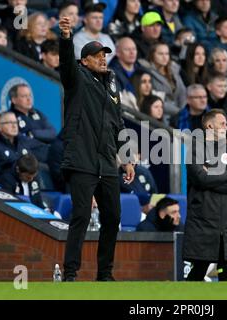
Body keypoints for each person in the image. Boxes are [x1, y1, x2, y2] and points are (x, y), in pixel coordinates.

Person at [58, 16, 135, 282]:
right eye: (97, 55)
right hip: (82, 160)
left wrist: (126, 158)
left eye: (104, 55)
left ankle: (104, 273)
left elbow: (119, 122)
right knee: (80, 216)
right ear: (84, 61)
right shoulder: (76, 78)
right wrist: (66, 38)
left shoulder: (112, 83)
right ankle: (70, 273)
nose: (103, 59)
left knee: (113, 217)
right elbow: (66, 64)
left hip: (107, 162)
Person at [184, 108, 227, 281]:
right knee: (199, 269)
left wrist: (213, 175)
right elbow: (201, 178)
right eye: (222, 124)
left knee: (226, 270)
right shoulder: (195, 150)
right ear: (210, 126)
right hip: (204, 219)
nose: (226, 127)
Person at [0, 111, 49, 184]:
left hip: (27, 188)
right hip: (6, 190)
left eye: (15, 122)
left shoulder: (23, 140)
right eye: (9, 123)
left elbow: (44, 150)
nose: (14, 126)